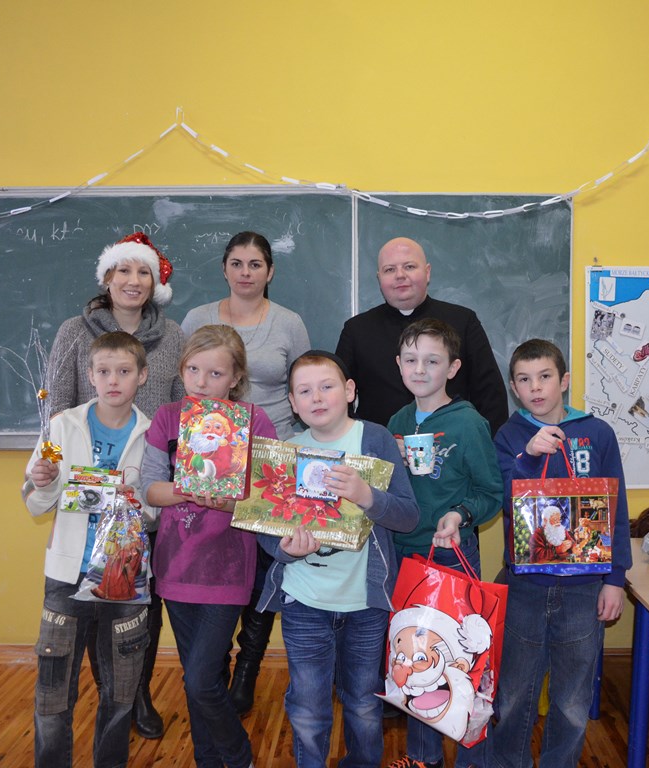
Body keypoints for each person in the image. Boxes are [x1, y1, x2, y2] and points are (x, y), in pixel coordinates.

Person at [46, 231, 184, 740]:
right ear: (107, 277)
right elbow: (56, 408)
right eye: (123, 269)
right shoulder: (73, 332)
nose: (133, 280)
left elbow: (178, 413)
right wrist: (58, 474)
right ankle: (108, 689)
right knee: (88, 604)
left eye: (143, 271)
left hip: (144, 491)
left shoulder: (173, 336)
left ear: (156, 282)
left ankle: (135, 690)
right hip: (87, 501)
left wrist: (165, 479)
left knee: (141, 602)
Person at [255, 351, 420, 768]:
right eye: (304, 391)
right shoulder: (286, 451)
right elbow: (266, 531)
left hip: (365, 604)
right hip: (304, 602)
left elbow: (408, 516)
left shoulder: (375, 439)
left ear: (349, 390)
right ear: (292, 403)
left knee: (363, 702)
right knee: (308, 706)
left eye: (326, 386)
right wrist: (285, 550)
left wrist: (367, 496)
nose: (316, 397)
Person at [180, 230, 310, 713]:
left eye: (255, 264)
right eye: (236, 263)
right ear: (224, 268)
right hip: (212, 456)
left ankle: (248, 666)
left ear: (270, 271)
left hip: (271, 455)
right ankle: (213, 663)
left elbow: (303, 385)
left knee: (263, 565)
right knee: (216, 558)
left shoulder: (289, 322)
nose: (246, 272)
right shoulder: (198, 319)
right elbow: (184, 384)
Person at [488, 339, 632, 768]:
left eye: (545, 376)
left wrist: (615, 579)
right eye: (525, 379)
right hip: (525, 586)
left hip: (584, 588)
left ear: (564, 381)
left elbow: (617, 509)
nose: (536, 387)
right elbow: (504, 497)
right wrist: (530, 456)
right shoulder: (509, 435)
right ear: (514, 388)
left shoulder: (597, 433)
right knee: (514, 693)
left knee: (571, 699)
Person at [21, 331, 157, 768]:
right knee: (53, 692)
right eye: (104, 371)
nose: (113, 380)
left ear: (142, 375)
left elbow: (155, 512)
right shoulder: (62, 426)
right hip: (67, 575)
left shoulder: (152, 434)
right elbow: (35, 502)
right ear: (90, 375)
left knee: (121, 692)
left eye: (124, 371)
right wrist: (45, 482)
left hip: (125, 578)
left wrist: (136, 504)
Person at [141, 325, 275, 768]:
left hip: (228, 566)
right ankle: (208, 761)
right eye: (193, 370)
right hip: (175, 566)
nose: (201, 381)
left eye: (215, 373)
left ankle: (239, 758)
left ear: (235, 378)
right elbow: (149, 489)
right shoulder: (167, 418)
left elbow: (269, 497)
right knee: (200, 680)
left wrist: (228, 499)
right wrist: (191, 490)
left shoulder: (254, 421)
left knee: (200, 680)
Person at [384, 319, 503, 768]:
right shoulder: (395, 422)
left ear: (452, 368)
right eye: (411, 360)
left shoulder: (468, 423)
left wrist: (460, 515)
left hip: (451, 556)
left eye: (432, 361)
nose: (420, 369)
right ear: (399, 365)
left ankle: (475, 760)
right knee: (417, 663)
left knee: (464, 663)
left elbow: (491, 492)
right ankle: (423, 758)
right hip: (404, 556)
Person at [335, 237, 509, 435]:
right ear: (379, 278)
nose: (400, 275)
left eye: (409, 266)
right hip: (379, 448)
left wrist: (485, 443)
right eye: (389, 269)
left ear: (427, 272)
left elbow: (490, 394)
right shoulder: (356, 330)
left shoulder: (463, 321)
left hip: (452, 446)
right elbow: (338, 398)